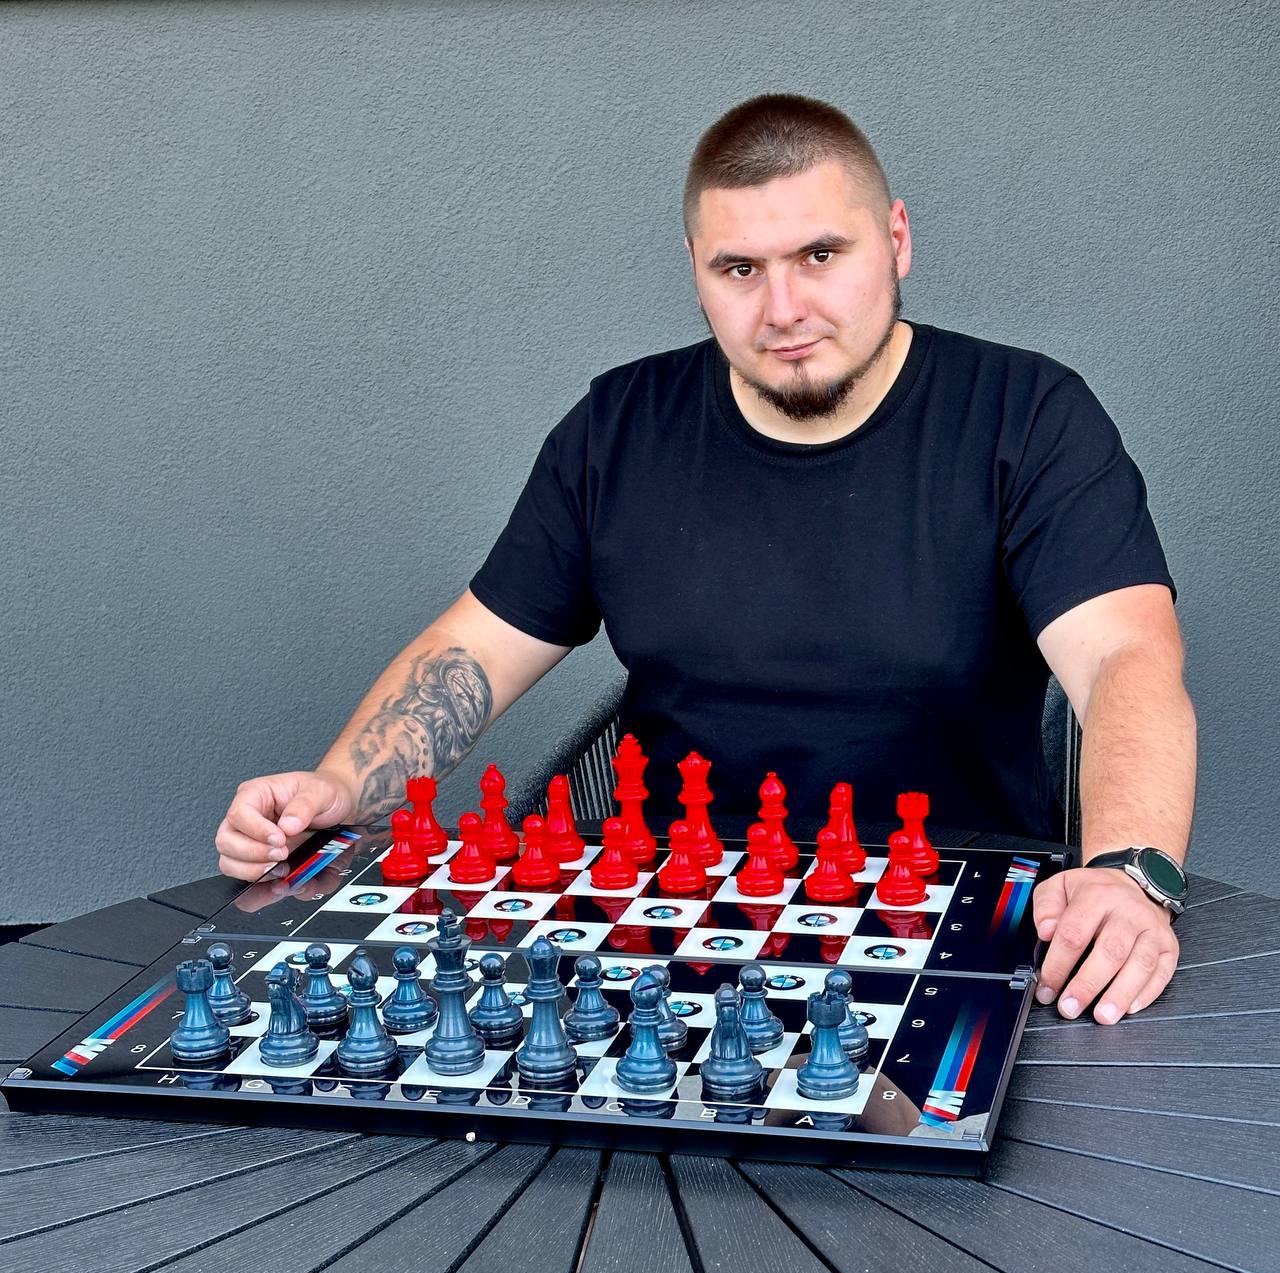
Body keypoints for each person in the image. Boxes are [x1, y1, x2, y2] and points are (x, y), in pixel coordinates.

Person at [215, 94, 1196, 1026]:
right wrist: (339, 788)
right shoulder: (617, 429)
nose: (782, 307)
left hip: (950, 916)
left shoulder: (1025, 416)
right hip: (664, 924)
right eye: (739, 269)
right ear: (694, 269)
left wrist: (1128, 870)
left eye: (820, 254)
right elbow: (473, 649)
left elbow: (1124, 659)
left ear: (895, 239)